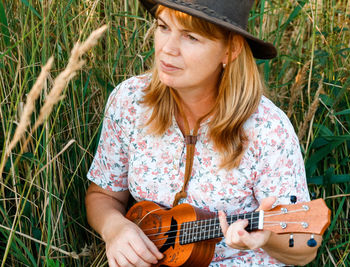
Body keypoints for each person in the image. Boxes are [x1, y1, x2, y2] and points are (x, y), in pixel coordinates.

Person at [85, 0, 322, 266]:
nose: (167, 49)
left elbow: (305, 247)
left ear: (230, 49)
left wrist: (266, 238)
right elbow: (103, 195)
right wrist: (114, 228)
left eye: (191, 37)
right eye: (163, 27)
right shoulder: (130, 101)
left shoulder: (267, 129)